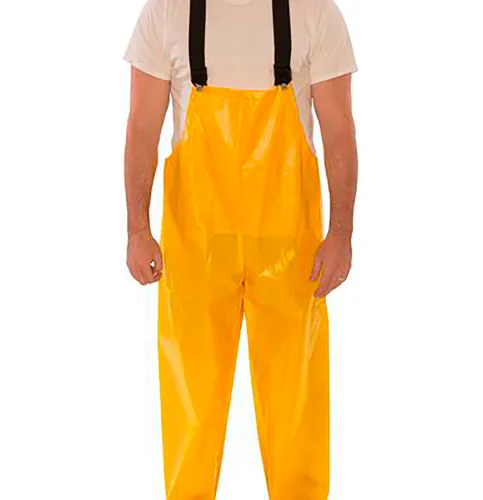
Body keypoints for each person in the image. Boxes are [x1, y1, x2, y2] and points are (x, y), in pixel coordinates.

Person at [123, 0, 358, 497]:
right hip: (195, 244)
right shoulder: (168, 11)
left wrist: (341, 233)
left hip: (292, 249)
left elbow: (340, 127)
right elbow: (141, 127)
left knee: (296, 402)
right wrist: (136, 229)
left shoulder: (313, 11)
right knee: (192, 404)